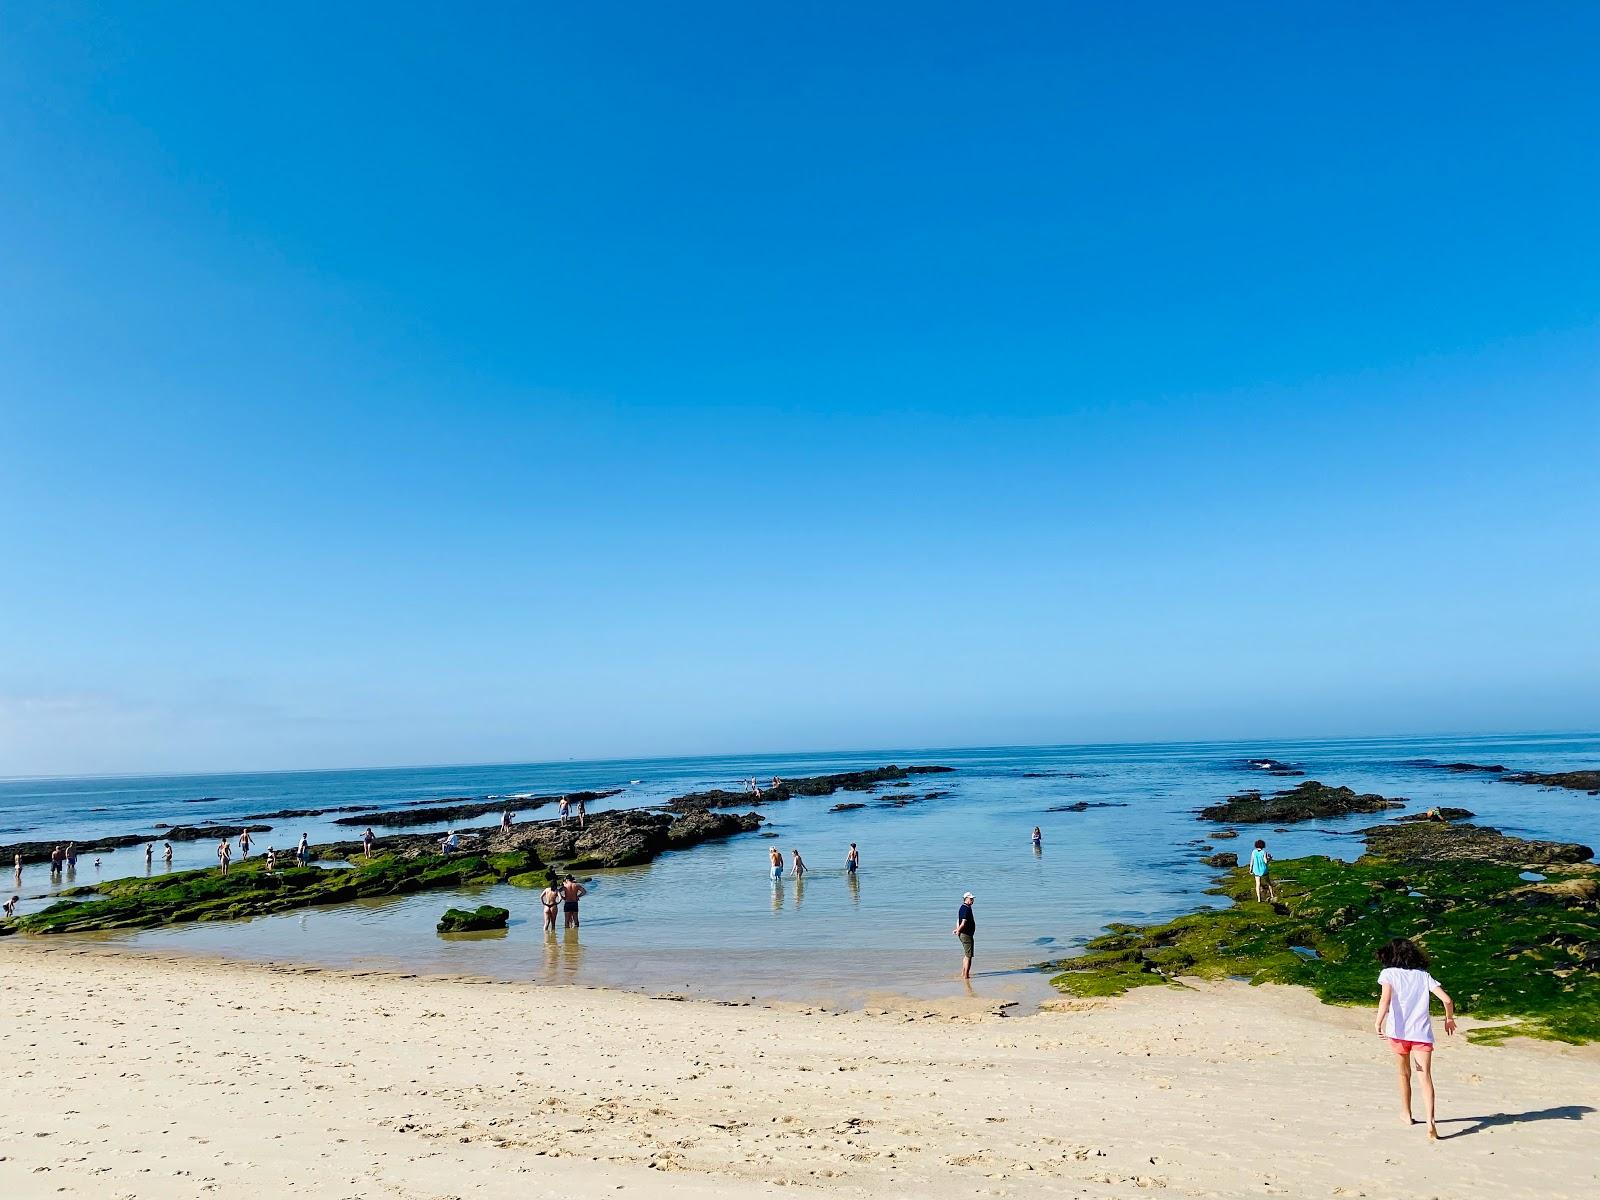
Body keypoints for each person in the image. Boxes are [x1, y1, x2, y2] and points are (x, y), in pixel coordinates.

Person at [1374, 937, 1457, 1140]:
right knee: (1425, 1077)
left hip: (1399, 1033)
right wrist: (1449, 1019)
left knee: (1404, 1074)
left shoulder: (1388, 974)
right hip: (1421, 1034)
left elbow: (1385, 1000)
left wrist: (1378, 1022)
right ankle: (1430, 1122)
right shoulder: (1423, 976)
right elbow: (1447, 999)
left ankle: (1407, 1114)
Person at [953, 892, 976, 980]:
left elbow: (957, 920)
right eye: (971, 899)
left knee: (966, 955)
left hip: (965, 934)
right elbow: (963, 922)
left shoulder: (964, 907)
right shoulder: (966, 908)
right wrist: (958, 930)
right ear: (966, 899)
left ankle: (963, 973)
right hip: (966, 935)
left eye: (973, 899)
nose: (972, 900)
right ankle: (966, 976)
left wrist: (957, 929)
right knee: (969, 956)